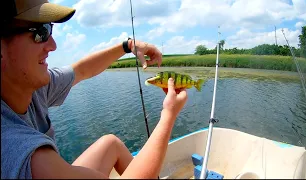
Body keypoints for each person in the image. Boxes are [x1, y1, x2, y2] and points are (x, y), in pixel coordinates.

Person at [1, 0, 188, 179]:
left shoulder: (32, 88)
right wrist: (169, 114)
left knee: (110, 144)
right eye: (40, 32)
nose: (53, 45)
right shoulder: (17, 148)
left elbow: (82, 70)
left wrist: (128, 46)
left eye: (50, 29)